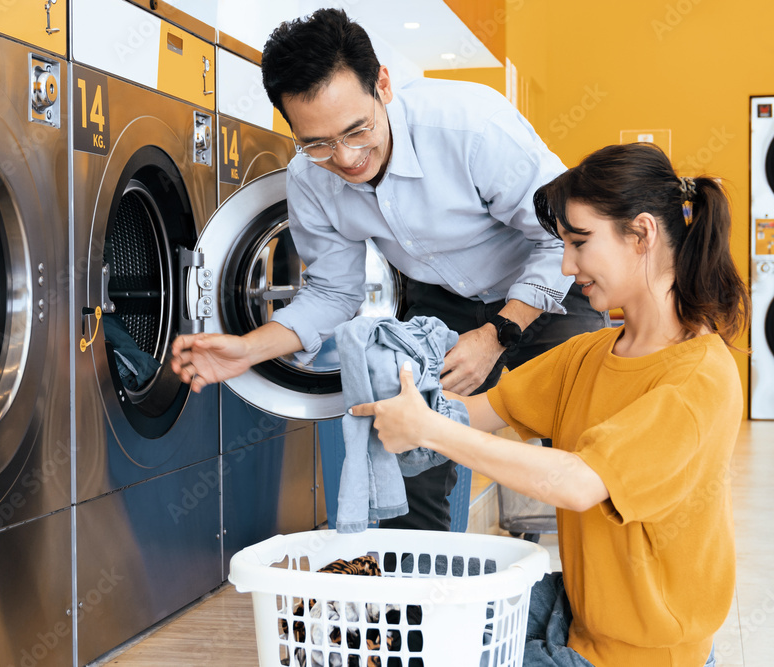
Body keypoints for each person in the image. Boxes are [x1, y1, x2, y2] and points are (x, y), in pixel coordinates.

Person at [170, 8, 607, 530]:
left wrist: (497, 332)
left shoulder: (471, 128)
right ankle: (415, 597)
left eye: (357, 130)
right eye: (318, 143)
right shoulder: (310, 179)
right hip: (441, 301)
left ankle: (598, 594)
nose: (347, 158)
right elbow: (334, 292)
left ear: (382, 85)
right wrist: (248, 348)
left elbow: (558, 236)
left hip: (553, 284)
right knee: (409, 445)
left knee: (589, 447)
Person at [351, 142, 749, 666]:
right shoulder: (587, 354)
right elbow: (475, 414)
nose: (566, 264)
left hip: (645, 656)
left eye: (580, 243)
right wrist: (400, 394)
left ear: (643, 234)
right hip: (579, 616)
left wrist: (430, 431)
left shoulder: (699, 379)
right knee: (419, 625)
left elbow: (578, 481)